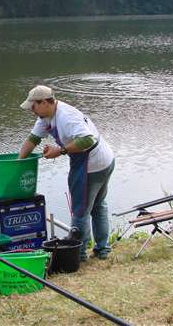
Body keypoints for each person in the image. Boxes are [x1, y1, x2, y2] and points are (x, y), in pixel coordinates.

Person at [18, 85, 115, 261]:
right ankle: (103, 250)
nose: (31, 110)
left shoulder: (66, 116)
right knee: (99, 206)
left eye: (33, 106)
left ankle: (79, 254)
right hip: (104, 158)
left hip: (91, 163)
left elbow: (87, 139)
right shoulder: (45, 116)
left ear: (45, 102)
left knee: (80, 211)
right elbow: (32, 139)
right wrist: (18, 163)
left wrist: (60, 150)